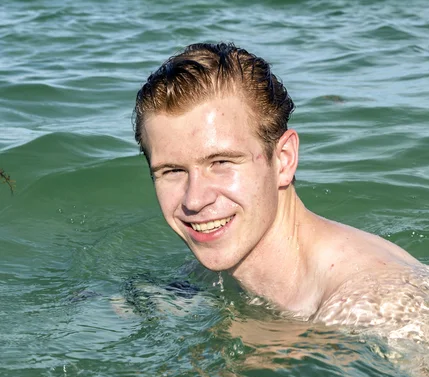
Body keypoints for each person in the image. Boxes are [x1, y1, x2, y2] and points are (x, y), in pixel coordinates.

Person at [134, 43, 428, 332]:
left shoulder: (377, 307)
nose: (195, 199)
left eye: (222, 162)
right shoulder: (212, 272)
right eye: (172, 171)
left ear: (284, 160)